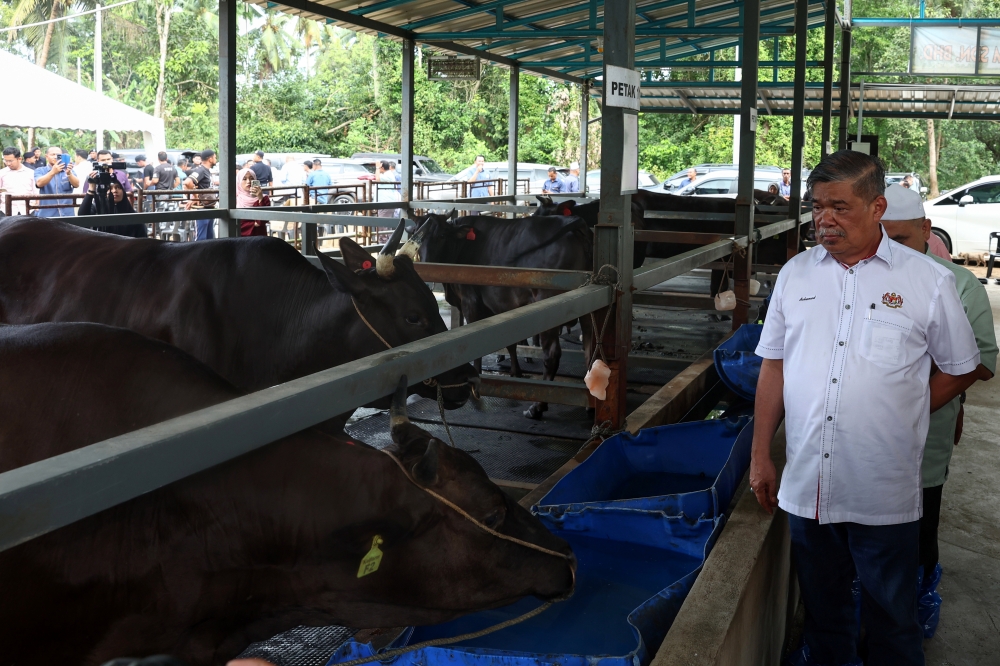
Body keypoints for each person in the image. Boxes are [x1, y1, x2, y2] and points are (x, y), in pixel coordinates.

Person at [749, 150, 983, 666]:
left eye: (840, 207)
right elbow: (773, 367)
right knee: (824, 614)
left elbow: (963, 365)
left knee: (892, 620)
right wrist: (761, 454)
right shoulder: (796, 275)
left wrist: (909, 408)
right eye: (816, 207)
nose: (824, 220)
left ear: (877, 207)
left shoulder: (929, 281)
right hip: (809, 484)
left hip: (883, 485)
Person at [878, 183, 997, 625]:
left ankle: (918, 594)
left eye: (904, 240)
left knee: (918, 522)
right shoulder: (856, 275)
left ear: (927, 230)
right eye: (882, 238)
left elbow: (980, 362)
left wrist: (908, 409)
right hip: (858, 434)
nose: (891, 251)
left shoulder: (957, 283)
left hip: (922, 432)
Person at [78, 175, 148, 238]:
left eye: (118, 187)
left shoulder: (132, 214)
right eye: (110, 188)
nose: (114, 191)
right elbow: (82, 216)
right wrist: (91, 189)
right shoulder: (98, 208)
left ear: (123, 191)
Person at [183, 148, 219, 240]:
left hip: (209, 206)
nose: (216, 159)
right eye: (215, 157)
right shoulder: (201, 170)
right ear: (210, 159)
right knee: (201, 237)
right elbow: (187, 182)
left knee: (209, 236)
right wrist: (196, 197)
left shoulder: (207, 170)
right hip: (202, 208)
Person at [33, 146, 79, 217]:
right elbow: (39, 183)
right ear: (47, 156)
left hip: (67, 213)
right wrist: (53, 172)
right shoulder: (40, 170)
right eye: (52, 154)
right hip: (47, 214)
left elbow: (76, 184)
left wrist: (69, 173)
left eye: (58, 155)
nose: (55, 157)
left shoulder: (68, 169)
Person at [0, 147, 38, 216]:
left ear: (19, 159)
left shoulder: (31, 173)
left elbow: (36, 192)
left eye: (10, 161)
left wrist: (37, 206)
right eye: (6, 161)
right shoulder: (1, 173)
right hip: (6, 211)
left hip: (28, 210)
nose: (8, 163)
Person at [235, 167, 270, 237]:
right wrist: (254, 224)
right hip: (240, 238)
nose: (248, 182)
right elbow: (234, 223)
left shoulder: (264, 198)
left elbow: (262, 220)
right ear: (238, 181)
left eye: (251, 178)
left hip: (259, 237)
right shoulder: (235, 199)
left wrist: (260, 198)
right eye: (244, 179)